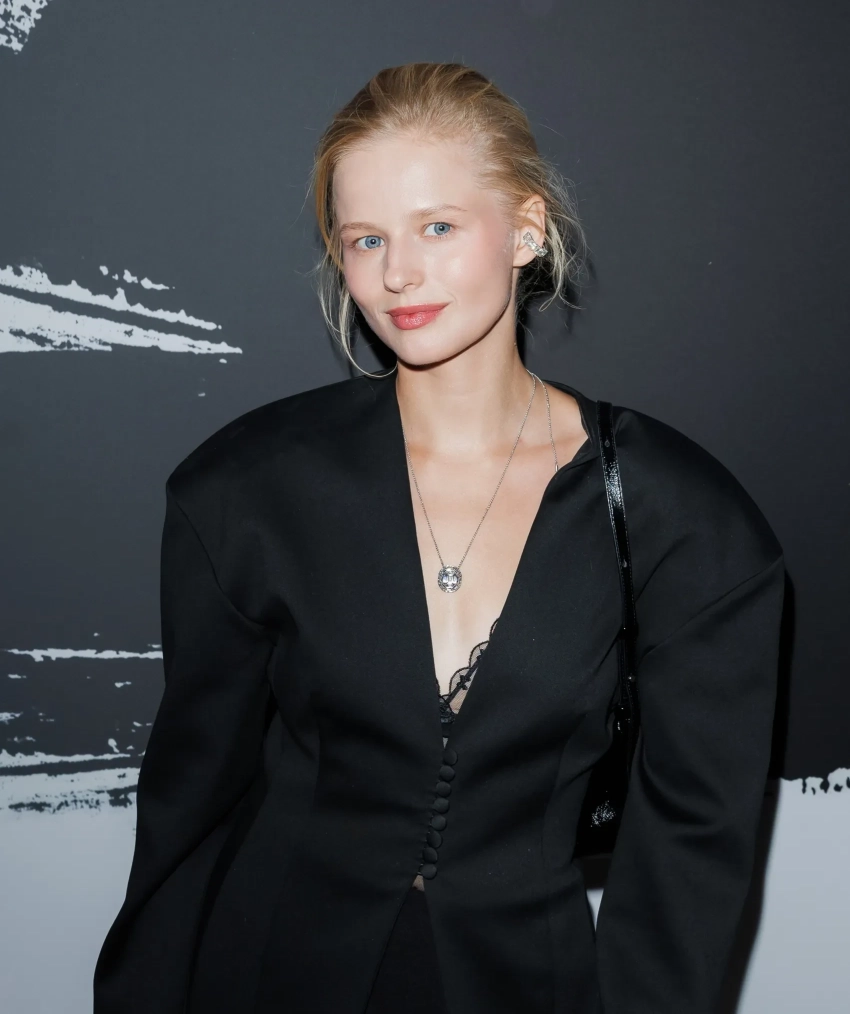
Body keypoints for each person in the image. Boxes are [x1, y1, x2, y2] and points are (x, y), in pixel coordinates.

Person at [93, 62, 786, 1014]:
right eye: (366, 239)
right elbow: (189, 808)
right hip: (263, 973)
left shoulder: (686, 521)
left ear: (527, 230)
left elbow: (694, 851)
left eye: (438, 227)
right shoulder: (246, 488)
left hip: (527, 984)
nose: (397, 274)